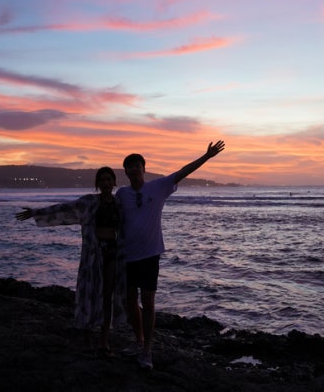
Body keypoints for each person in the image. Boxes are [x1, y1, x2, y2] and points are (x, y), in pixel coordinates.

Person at [116, 140, 225, 370]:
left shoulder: (158, 187)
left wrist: (206, 157)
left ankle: (147, 351)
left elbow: (183, 172)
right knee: (129, 301)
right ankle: (138, 340)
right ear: (125, 171)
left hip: (149, 254)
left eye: (137, 165)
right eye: (130, 166)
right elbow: (111, 218)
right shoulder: (121, 194)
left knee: (148, 300)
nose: (134, 169)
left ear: (144, 169)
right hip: (126, 255)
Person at [15, 166, 126, 357]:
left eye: (109, 179)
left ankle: (104, 341)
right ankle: (86, 336)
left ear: (114, 182)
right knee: (89, 294)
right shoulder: (89, 202)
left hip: (112, 254)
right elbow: (64, 207)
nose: (106, 183)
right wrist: (36, 212)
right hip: (93, 254)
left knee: (108, 297)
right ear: (97, 184)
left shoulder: (119, 204)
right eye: (102, 180)